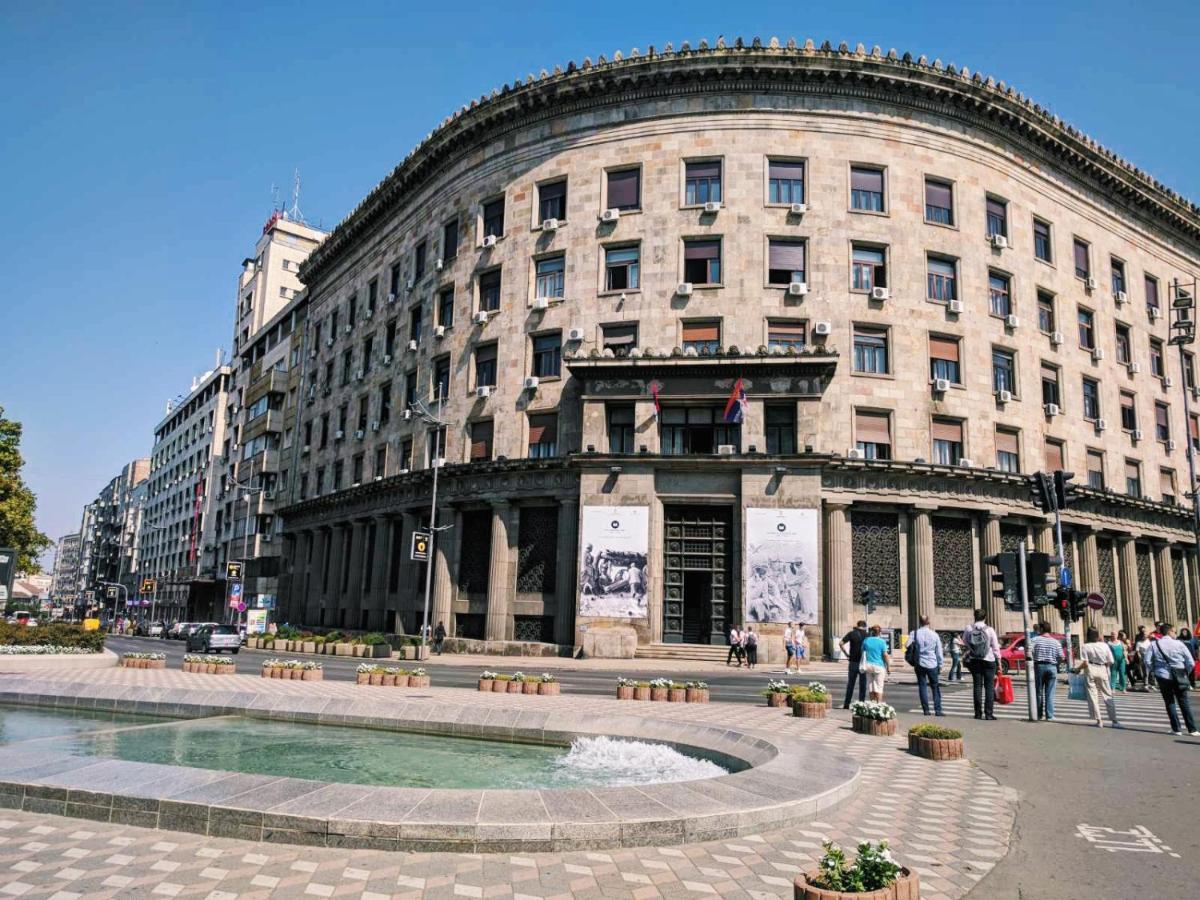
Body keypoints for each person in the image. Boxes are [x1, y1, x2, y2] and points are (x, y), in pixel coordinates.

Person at [1148, 624, 1199, 736]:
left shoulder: (1154, 644)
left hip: (1162, 676)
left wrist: (1155, 671)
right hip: (1180, 674)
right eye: (1174, 632)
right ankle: (1192, 729)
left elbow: (1147, 661)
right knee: (1184, 702)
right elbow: (1190, 662)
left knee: (1169, 702)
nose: (1175, 634)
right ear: (1170, 631)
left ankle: (1176, 729)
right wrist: (1186, 673)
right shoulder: (1179, 644)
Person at [1078, 628, 1122, 728]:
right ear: (1098, 636)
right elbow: (1111, 661)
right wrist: (1105, 665)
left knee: (1093, 696)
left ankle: (1099, 721)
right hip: (1102, 669)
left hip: (1090, 669)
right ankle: (1114, 720)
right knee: (1107, 694)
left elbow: (1085, 663)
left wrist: (1077, 669)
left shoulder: (1085, 646)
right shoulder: (1104, 645)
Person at [963, 609, 1001, 720]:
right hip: (989, 660)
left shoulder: (969, 628)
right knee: (989, 687)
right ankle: (989, 714)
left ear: (974, 617)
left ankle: (978, 713)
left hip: (974, 660)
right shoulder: (989, 630)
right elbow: (995, 647)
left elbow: (965, 641)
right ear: (985, 618)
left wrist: (972, 649)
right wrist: (999, 662)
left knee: (977, 686)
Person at [908, 616, 944, 716]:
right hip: (932, 663)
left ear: (920, 622)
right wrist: (940, 664)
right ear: (929, 622)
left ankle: (926, 710)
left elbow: (907, 645)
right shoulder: (935, 635)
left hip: (919, 662)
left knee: (922, 686)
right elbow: (939, 651)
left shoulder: (914, 633)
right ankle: (938, 710)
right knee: (935, 687)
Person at [1030, 622, 1064, 721]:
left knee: (1039, 692)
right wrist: (1055, 663)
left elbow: (1029, 652)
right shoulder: (1056, 642)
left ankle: (1039, 714)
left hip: (1039, 666)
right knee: (1050, 693)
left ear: (1041, 629)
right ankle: (1049, 715)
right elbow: (1062, 657)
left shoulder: (1035, 640)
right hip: (1052, 667)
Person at [840, 620, 869, 709]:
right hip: (863, 663)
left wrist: (846, 654)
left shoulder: (852, 633)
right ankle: (861, 703)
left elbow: (841, 643)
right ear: (865, 626)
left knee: (851, 684)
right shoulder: (868, 635)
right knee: (863, 684)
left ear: (857, 625)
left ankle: (846, 703)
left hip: (853, 662)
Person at [860, 625, 890, 701]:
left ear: (871, 632)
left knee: (870, 686)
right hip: (879, 666)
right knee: (879, 687)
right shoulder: (882, 642)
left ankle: (872, 704)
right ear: (880, 632)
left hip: (868, 665)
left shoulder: (866, 640)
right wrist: (888, 667)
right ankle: (878, 705)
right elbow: (885, 655)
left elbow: (862, 651)